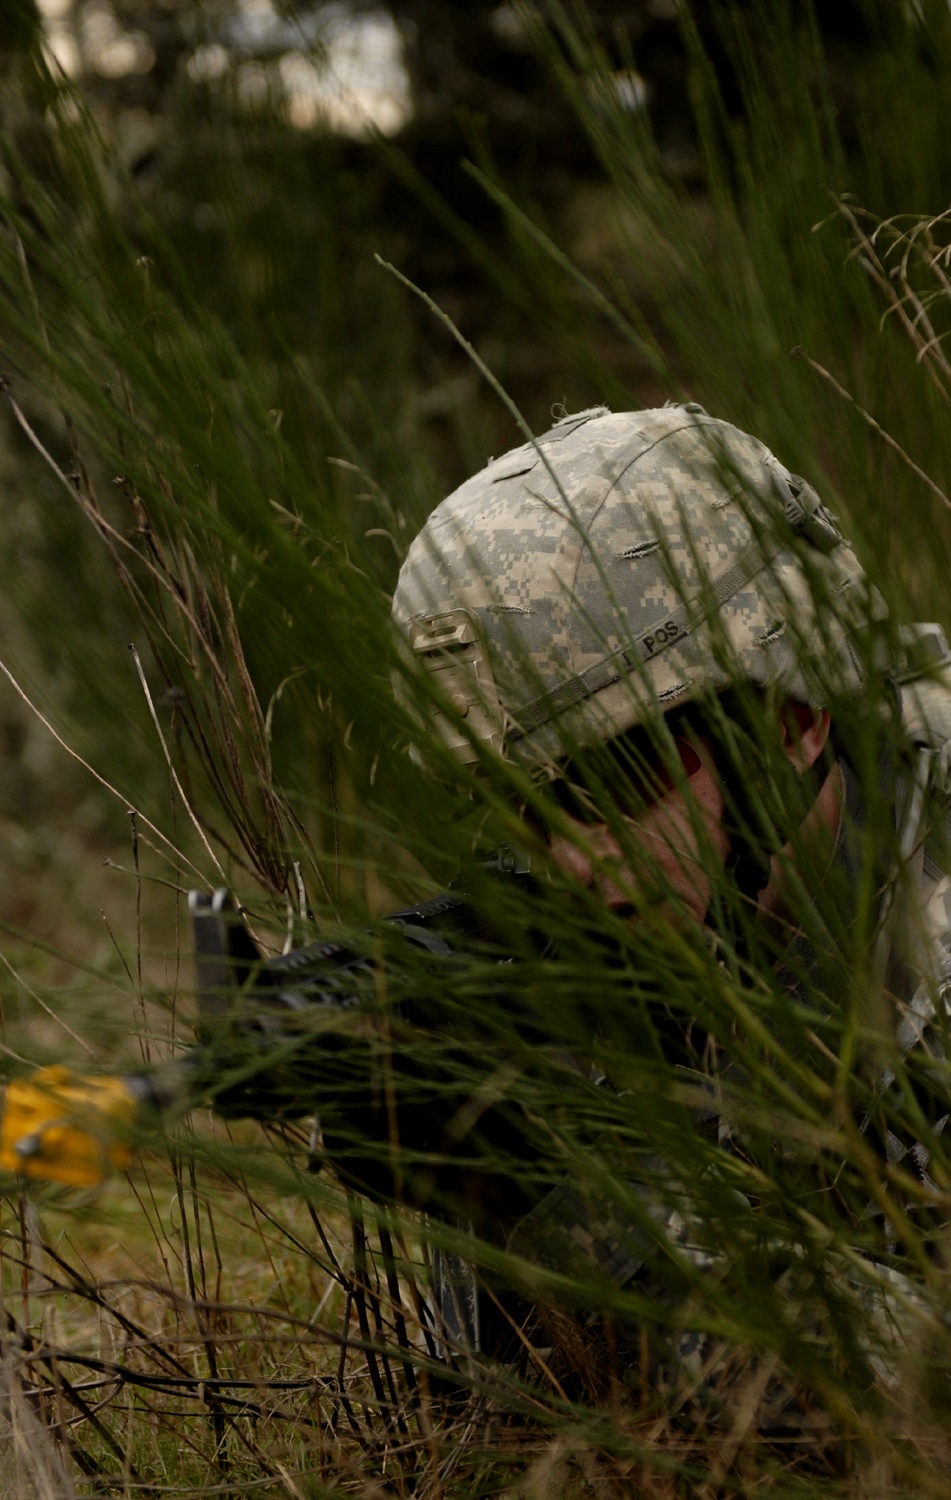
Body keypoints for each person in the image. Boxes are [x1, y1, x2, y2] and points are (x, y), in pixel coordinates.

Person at [389, 401, 951, 1421]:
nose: (566, 854)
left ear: (789, 715)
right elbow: (493, 1439)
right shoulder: (619, 945)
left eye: (616, 776)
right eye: (519, 807)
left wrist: (642, 1228)